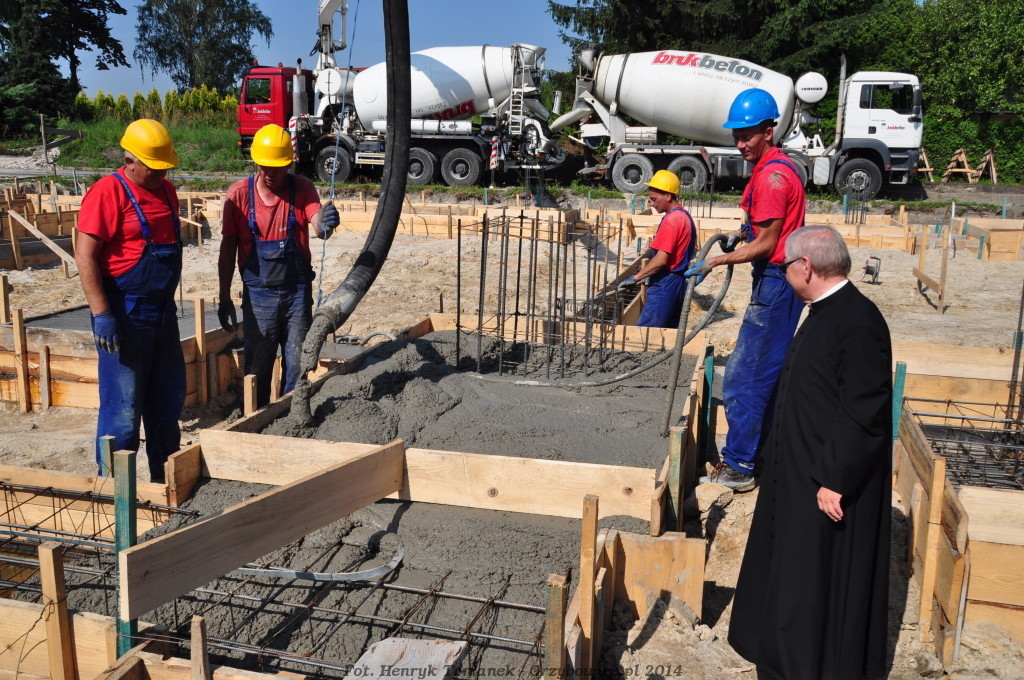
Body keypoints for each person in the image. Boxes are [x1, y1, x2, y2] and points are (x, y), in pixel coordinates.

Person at [728, 225, 892, 680]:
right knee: (792, 567)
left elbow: (866, 409)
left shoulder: (858, 321)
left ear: (806, 266)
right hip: (800, 468)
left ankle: (801, 665)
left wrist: (836, 478)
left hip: (825, 479)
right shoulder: (823, 312)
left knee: (812, 573)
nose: (783, 273)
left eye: (785, 265)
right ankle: (778, 656)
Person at [686, 88, 806, 491]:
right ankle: (759, 453)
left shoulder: (772, 178)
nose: (740, 144)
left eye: (747, 136)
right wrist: (742, 233)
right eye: (736, 136)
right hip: (778, 280)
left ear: (768, 131)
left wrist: (716, 262)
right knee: (763, 371)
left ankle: (739, 465)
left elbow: (769, 244)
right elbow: (766, 228)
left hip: (776, 281)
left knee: (744, 376)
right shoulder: (774, 167)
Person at [76, 119, 184, 483]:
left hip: (163, 315)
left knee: (166, 405)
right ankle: (114, 492)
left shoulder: (167, 191)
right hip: (125, 316)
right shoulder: (107, 193)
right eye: (153, 168)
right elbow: (85, 255)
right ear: (129, 160)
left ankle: (165, 489)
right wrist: (102, 314)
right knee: (123, 412)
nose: (160, 174)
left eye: (165, 167)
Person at [218, 124, 340, 408]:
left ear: (289, 163)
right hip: (258, 295)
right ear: (256, 162)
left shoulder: (302, 189)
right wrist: (224, 297)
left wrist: (326, 223)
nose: (270, 173)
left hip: (296, 294)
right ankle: (255, 417)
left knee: (298, 363)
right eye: (265, 166)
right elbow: (227, 251)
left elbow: (318, 225)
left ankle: (291, 417)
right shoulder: (239, 196)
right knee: (258, 365)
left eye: (278, 167)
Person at [626, 170, 696, 328]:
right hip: (678, 283)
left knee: (646, 334)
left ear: (668, 196)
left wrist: (636, 278)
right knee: (668, 334)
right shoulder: (685, 216)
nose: (651, 204)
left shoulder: (671, 220)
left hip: (665, 285)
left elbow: (661, 260)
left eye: (654, 199)